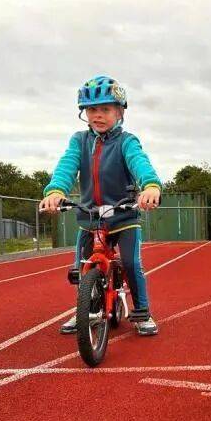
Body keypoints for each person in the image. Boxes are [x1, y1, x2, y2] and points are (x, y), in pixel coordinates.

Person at [39, 75, 162, 336]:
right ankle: (86, 310)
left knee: (131, 263)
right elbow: (66, 166)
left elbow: (139, 162)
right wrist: (55, 191)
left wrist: (150, 186)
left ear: (119, 112)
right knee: (81, 266)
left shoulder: (127, 141)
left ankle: (142, 311)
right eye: (91, 109)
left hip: (123, 215)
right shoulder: (79, 141)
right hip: (90, 217)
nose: (98, 115)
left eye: (105, 109)